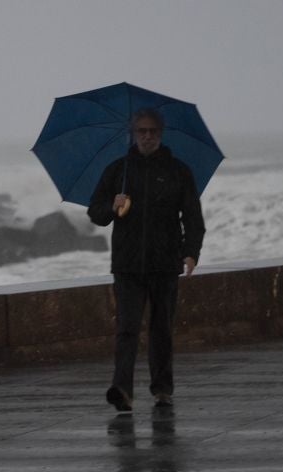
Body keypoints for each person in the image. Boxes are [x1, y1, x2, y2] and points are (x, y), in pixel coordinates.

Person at [87, 108, 206, 412]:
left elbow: (192, 216)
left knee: (161, 329)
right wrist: (112, 207)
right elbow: (95, 213)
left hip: (165, 263)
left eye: (152, 131)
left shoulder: (179, 171)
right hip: (127, 264)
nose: (147, 136)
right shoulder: (118, 170)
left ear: (160, 134)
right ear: (133, 134)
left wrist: (191, 252)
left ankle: (162, 388)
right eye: (142, 131)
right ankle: (121, 389)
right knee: (127, 328)